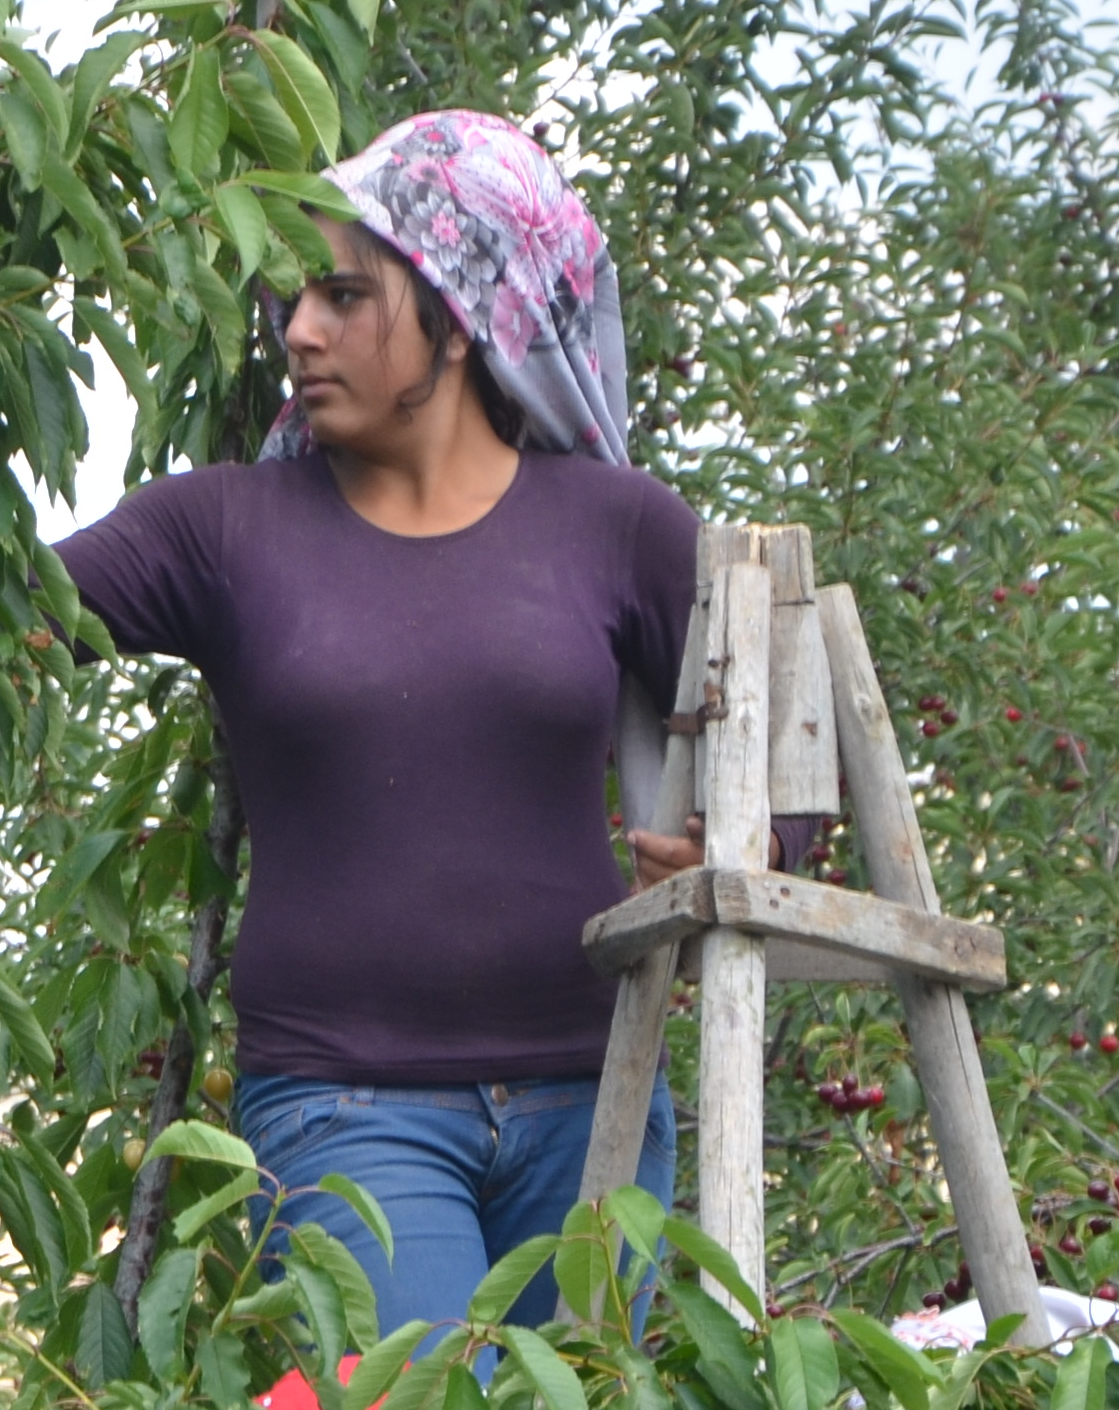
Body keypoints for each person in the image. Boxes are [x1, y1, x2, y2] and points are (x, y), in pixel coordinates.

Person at [50, 110, 702, 1342]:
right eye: (296, 295)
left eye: (343, 296)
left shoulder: (618, 527)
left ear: (456, 318)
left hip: (594, 1096)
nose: (298, 329)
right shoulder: (225, 531)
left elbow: (783, 754)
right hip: (344, 1113)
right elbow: (4, 608)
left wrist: (730, 846)